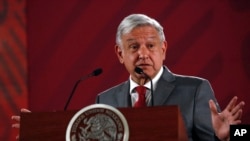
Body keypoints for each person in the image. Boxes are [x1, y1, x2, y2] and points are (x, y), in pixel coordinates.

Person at [12, 14, 244, 141]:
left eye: (150, 45)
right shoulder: (106, 99)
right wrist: (42, 131)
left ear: (163, 49)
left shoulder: (195, 89)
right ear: (120, 53)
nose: (143, 53)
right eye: (133, 47)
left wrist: (229, 136)